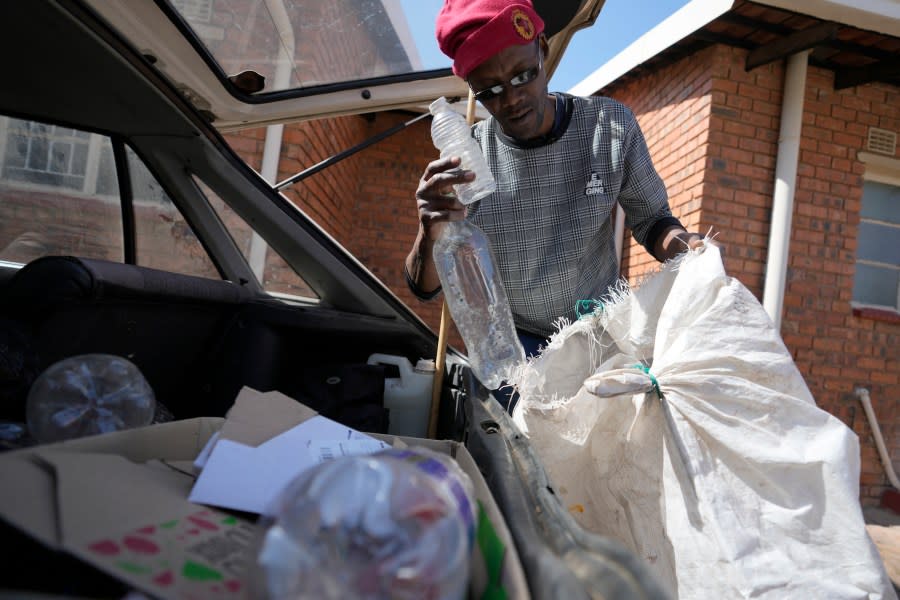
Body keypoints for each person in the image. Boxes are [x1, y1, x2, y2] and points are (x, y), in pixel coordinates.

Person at [404, 0, 705, 402]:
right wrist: (431, 230)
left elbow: (653, 222)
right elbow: (424, 288)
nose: (511, 99)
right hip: (515, 353)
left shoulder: (609, 128)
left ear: (542, 48)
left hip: (595, 340)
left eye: (522, 75)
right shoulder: (469, 162)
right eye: (490, 91)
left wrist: (687, 249)